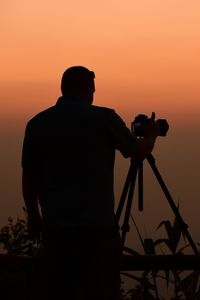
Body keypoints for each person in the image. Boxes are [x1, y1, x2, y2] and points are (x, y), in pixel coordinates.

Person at [22, 66, 159, 300]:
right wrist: (151, 135)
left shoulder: (37, 123)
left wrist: (34, 217)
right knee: (101, 291)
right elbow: (137, 153)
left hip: (56, 232)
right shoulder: (104, 118)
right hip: (97, 232)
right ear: (89, 88)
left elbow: (29, 176)